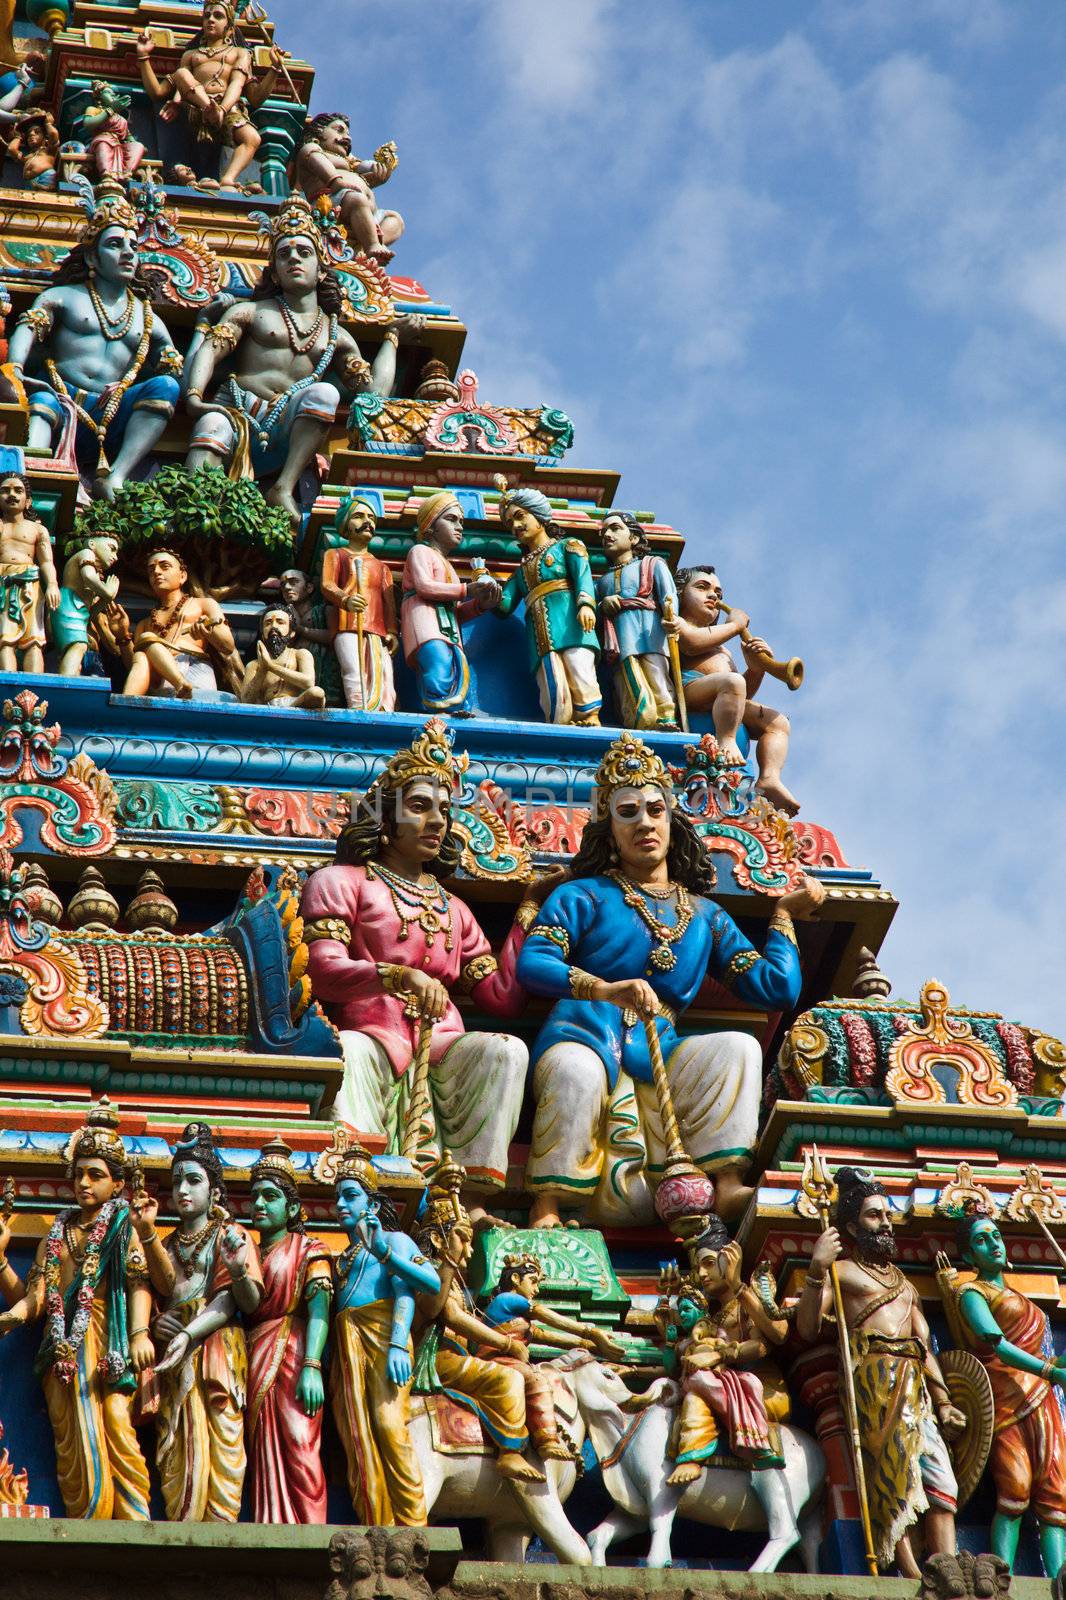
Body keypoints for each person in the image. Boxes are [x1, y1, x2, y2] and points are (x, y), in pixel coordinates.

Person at [517, 732, 821, 1228]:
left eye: (655, 809)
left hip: (660, 1043)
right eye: (628, 812)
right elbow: (534, 962)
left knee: (738, 1049)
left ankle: (725, 1184)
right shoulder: (584, 895)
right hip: (584, 1031)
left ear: (672, 818)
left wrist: (784, 916)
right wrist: (604, 989)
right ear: (608, 828)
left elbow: (776, 989)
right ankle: (548, 1202)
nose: (644, 823)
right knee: (576, 1070)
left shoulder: (704, 915)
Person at [299, 717, 547, 1225]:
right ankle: (356, 1180)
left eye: (444, 810)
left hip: (440, 1043)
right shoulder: (342, 881)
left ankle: (471, 1199)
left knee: (505, 1049)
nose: (437, 821)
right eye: (419, 806)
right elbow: (323, 970)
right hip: (369, 1032)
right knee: (346, 1053)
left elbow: (502, 998)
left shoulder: (453, 907)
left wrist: (528, 915)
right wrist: (396, 976)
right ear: (384, 818)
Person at [0, 1101, 172, 1518]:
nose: (83, 1183)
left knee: (115, 1420)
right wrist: (4, 1273)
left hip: (108, 1342)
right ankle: (85, 1517)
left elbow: (138, 1282)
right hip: (61, 1353)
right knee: (69, 1439)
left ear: (117, 1184)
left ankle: (134, 1519)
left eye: (96, 1175)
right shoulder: (55, 1236)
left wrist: (139, 1333)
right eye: (78, 1174)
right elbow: (37, 1297)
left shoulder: (122, 1227)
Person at [183, 197, 399, 525]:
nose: (293, 259)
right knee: (210, 426)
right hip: (237, 413)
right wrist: (195, 398)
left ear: (321, 268)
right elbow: (211, 351)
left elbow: (374, 395)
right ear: (275, 272)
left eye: (303, 252)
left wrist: (392, 338)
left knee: (326, 393)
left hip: (288, 427)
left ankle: (283, 487)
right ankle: (196, 508)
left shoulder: (335, 335)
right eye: (283, 254)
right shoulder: (249, 312)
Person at [797, 1166, 965, 1577]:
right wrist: (817, 1268)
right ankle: (910, 1572)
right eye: (874, 1215)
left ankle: (945, 1563)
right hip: (874, 1383)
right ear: (852, 1226)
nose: (885, 1222)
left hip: (915, 1385)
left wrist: (943, 1401)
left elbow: (924, 1346)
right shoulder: (842, 1274)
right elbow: (806, 1327)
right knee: (893, 1477)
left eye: (887, 1215)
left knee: (942, 1479)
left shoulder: (906, 1284)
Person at [6, 192, 182, 500]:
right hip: (63, 401)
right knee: (43, 402)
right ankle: (33, 475)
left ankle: (116, 476)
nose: (128, 253)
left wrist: (130, 386)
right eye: (115, 244)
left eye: (133, 245)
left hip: (111, 413)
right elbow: (29, 325)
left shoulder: (146, 316)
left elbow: (174, 369)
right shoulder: (63, 297)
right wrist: (17, 369)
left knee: (165, 387)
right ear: (91, 257)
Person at [150, 1122, 264, 1522]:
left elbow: (240, 1303)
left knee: (222, 1434)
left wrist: (237, 1272)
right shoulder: (162, 1246)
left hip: (217, 1351)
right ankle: (183, 1525)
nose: (182, 1190)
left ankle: (221, 1526)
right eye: (177, 1181)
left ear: (214, 1192)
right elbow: (149, 1300)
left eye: (193, 1181)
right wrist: (157, 1324)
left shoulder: (231, 1235)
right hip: (174, 1362)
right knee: (175, 1441)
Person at [941, 1210, 1066, 1576]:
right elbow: (995, 1344)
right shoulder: (972, 1292)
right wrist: (1050, 1371)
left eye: (996, 1235)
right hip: (1005, 1400)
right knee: (1015, 1488)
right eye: (982, 1239)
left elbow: (1043, 1355)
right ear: (968, 1256)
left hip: (1041, 1398)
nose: (993, 1243)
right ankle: (1002, 1576)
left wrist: (1055, 1366)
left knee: (1054, 1490)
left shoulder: (1017, 1296)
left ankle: (1058, 1574)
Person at [328, 1142, 441, 1525]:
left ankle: (414, 1527)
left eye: (350, 1196)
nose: (341, 1204)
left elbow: (426, 1282)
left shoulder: (394, 1241)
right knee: (355, 1437)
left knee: (389, 1426)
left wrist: (397, 1344)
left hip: (385, 1341)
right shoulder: (343, 1258)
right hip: (348, 1350)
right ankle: (376, 1522)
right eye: (337, 1197)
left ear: (372, 1205)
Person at [413, 1177, 543, 1483]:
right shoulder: (429, 1269)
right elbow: (449, 1315)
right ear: (436, 1240)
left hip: (457, 1354)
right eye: (463, 1241)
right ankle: (510, 1451)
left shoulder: (454, 1279)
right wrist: (507, 1345)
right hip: (438, 1358)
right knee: (507, 1377)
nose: (469, 1253)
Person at [246, 1138, 332, 1524]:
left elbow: (319, 1312)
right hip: (256, 1354)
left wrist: (312, 1365)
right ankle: (274, 1526)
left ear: (292, 1207)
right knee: (263, 1450)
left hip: (295, 1352)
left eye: (270, 1196)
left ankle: (312, 1531)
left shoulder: (309, 1249)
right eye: (255, 1197)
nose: (259, 1205)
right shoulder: (247, 1252)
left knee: (300, 1443)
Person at [667, 1215, 789, 1483]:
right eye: (699, 1267)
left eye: (710, 1264)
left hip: (760, 1386)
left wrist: (722, 1354)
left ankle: (753, 1439)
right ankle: (693, 1456)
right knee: (692, 1393)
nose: (701, 1274)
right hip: (722, 1381)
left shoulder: (748, 1299)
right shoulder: (713, 1316)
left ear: (729, 1260)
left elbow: (774, 1337)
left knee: (699, 1381)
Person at [675, 565, 799, 815]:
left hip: (722, 697)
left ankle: (770, 778)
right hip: (690, 690)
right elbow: (690, 645)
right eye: (702, 588)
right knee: (732, 681)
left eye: (718, 593)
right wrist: (734, 626)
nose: (713, 596)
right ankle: (726, 742)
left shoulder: (723, 650)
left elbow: (739, 698)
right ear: (679, 593)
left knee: (778, 723)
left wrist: (755, 669)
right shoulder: (678, 624)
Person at [480, 1251, 623, 1459]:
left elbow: (548, 1336)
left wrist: (592, 1346)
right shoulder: (506, 1299)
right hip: (497, 1359)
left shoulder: (518, 1318)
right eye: (533, 1281)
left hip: (509, 1361)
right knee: (537, 1380)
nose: (536, 1289)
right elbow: (543, 1314)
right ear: (514, 1278)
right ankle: (545, 1439)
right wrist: (591, 1332)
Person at [135, 3, 280, 192]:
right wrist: (143, 56)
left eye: (218, 16)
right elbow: (157, 92)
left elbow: (245, 90)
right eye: (207, 16)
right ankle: (208, 108)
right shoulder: (190, 55)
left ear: (230, 27)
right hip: (196, 111)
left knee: (252, 138)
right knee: (181, 74)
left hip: (227, 109)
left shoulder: (241, 53)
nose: (210, 19)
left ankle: (228, 179)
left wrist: (275, 69)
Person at [492, 479, 601, 726]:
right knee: (550, 681)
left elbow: (583, 577)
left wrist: (585, 604)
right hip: (540, 638)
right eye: (510, 523)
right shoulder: (521, 572)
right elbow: (505, 606)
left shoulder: (568, 547)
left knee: (579, 668)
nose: (516, 526)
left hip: (573, 626)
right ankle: (561, 722)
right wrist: (484, 587)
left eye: (520, 516)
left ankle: (590, 716)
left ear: (540, 515)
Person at [400, 492, 499, 715]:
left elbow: (456, 611)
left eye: (461, 522)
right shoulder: (420, 551)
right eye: (451, 519)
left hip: (447, 628)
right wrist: (467, 590)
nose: (459, 527)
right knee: (437, 663)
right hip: (424, 622)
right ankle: (439, 708)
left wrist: (480, 605)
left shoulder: (449, 567)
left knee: (450, 663)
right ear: (431, 526)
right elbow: (425, 587)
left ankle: (451, 709)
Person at [118, 547, 242, 698]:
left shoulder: (203, 604)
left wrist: (209, 633)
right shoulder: (145, 624)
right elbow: (135, 666)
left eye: (164, 566)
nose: (157, 572)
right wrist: (122, 635)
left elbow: (228, 646)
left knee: (147, 639)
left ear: (182, 575)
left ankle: (181, 684)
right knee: (143, 649)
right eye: (151, 570)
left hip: (192, 667)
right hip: (159, 679)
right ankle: (127, 704)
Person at [595, 510, 680, 730]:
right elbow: (594, 616)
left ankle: (666, 716)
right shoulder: (602, 582)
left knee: (656, 673)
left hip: (649, 632)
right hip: (619, 638)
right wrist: (602, 606)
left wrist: (672, 615)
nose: (607, 535)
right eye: (604, 531)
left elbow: (668, 595)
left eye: (615, 528)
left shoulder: (652, 564)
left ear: (633, 538)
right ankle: (635, 720)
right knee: (624, 681)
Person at [320, 494, 398, 712]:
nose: (368, 522)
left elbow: (389, 603)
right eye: (359, 516)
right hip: (347, 624)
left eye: (371, 518)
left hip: (377, 630)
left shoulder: (381, 567)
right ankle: (359, 709)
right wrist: (345, 600)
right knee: (354, 670)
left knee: (384, 673)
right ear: (345, 524)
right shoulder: (335, 554)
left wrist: (392, 630)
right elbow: (327, 585)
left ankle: (384, 712)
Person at [293, 113, 403, 263]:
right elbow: (317, 161)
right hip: (330, 206)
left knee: (395, 219)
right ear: (318, 132)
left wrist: (376, 178)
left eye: (348, 134)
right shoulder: (311, 149)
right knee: (356, 199)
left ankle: (363, 251)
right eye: (339, 130)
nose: (347, 138)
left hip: (364, 213)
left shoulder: (349, 163)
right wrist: (335, 181)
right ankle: (373, 246)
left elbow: (361, 178)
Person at [0, 470, 59, 673]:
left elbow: (46, 562)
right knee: (5, 638)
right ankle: (7, 681)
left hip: (30, 583)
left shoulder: (37, 530)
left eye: (18, 490)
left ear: (28, 501)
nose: (12, 495)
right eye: (5, 490)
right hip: (3, 583)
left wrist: (52, 585)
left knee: (34, 639)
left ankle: (34, 685)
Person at [54, 534, 123, 678]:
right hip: (69, 604)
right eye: (111, 549)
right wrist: (107, 591)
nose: (115, 557)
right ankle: (66, 683)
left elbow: (90, 615)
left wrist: (106, 598)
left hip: (78, 611)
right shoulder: (86, 554)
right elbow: (88, 577)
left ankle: (70, 679)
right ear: (92, 544)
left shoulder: (96, 572)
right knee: (78, 646)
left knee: (75, 650)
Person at [238, 600, 326, 709]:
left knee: (317, 693)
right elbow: (246, 700)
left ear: (292, 632)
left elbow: (308, 682)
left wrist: (271, 666)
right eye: (268, 623)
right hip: (266, 707)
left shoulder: (300, 654)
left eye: (280, 622)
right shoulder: (254, 665)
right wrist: (263, 669)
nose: (273, 626)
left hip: (295, 704)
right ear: (262, 633)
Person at [277, 567, 343, 706]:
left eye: (293, 582)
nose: (287, 587)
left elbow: (332, 637)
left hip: (325, 674)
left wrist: (300, 629)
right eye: (283, 585)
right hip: (295, 679)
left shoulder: (325, 610)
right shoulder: (281, 616)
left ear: (309, 588)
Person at [80, 81, 145, 183]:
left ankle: (127, 173)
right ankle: (106, 174)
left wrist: (138, 147)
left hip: (119, 144)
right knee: (103, 144)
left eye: (114, 93)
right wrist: (111, 110)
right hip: (103, 140)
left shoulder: (120, 118)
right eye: (108, 93)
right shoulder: (94, 110)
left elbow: (128, 137)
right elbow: (88, 124)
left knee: (137, 146)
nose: (113, 95)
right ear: (99, 97)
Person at [6, 109, 58, 188]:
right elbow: (11, 149)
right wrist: (18, 136)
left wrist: (48, 124)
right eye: (28, 135)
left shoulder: (48, 150)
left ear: (45, 137)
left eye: (37, 132)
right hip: (30, 184)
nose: (31, 135)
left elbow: (53, 134)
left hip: (45, 179)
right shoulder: (28, 157)